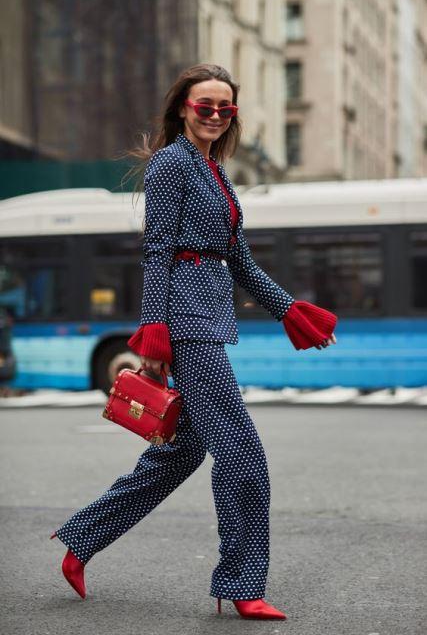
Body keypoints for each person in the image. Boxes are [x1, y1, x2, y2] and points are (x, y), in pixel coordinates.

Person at [50, 63, 337, 620]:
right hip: (185, 325)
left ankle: (81, 540)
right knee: (243, 456)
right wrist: (153, 330)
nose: (212, 115)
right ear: (183, 107)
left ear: (231, 116)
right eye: (203, 104)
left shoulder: (216, 171)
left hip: (207, 319)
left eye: (223, 108)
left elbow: (240, 263)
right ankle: (241, 583)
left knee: (182, 451)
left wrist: (291, 311)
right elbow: (157, 251)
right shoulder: (170, 165)